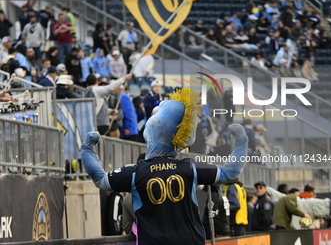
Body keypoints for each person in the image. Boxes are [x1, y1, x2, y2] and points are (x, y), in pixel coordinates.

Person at [80, 86, 248, 245]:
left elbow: (99, 179)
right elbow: (230, 172)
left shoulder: (135, 173)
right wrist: (241, 142)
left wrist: (87, 149)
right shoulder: (190, 168)